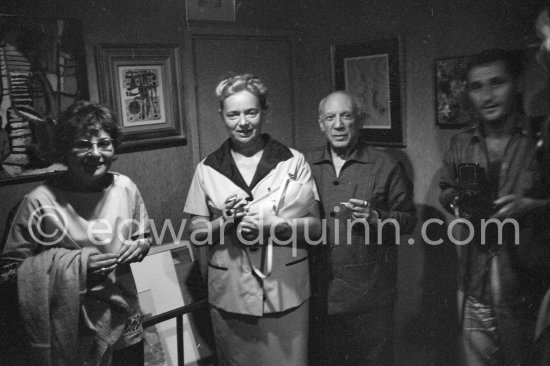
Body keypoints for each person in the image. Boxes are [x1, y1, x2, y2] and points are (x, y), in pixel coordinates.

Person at [184, 73, 321, 366]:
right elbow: (196, 234)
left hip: (285, 292)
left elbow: (315, 228)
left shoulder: (292, 161)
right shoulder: (207, 169)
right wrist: (226, 221)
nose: (243, 122)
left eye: (251, 112)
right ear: (222, 115)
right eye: (233, 114)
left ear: (264, 112)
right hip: (231, 293)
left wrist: (275, 226)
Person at [1, 100, 152, 365]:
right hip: (71, 327)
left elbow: (143, 237)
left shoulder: (125, 187)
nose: (96, 153)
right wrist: (77, 266)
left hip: (124, 317)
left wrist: (140, 246)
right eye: (83, 144)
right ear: (65, 150)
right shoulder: (39, 201)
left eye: (104, 143)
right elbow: (8, 273)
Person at [439, 49, 550, 366]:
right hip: (474, 282)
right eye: (477, 86)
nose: (487, 95)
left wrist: (532, 207)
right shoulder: (463, 144)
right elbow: (448, 189)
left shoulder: (541, 138)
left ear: (517, 84)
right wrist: (457, 201)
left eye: (496, 82)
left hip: (527, 288)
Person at [306, 90, 416, 365]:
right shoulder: (305, 165)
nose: (338, 125)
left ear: (360, 120)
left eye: (346, 116)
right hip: (319, 295)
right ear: (321, 123)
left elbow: (409, 220)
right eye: (330, 117)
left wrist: (376, 217)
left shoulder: (385, 165)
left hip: (369, 299)